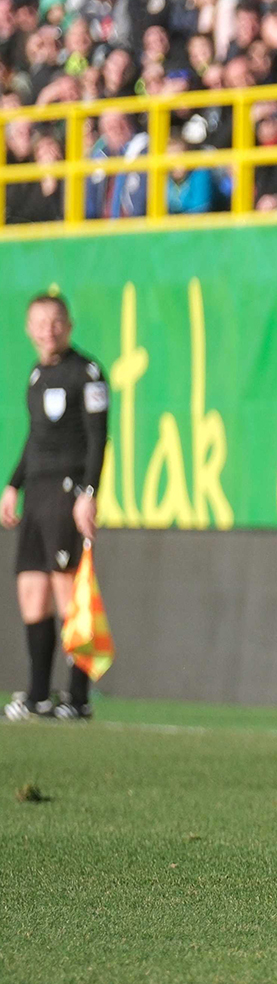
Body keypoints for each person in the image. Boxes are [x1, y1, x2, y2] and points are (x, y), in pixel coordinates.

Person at [2, 293, 107, 723]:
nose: (48, 330)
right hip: (37, 495)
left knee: (68, 591)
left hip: (67, 491)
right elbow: (35, 437)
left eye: (56, 322)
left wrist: (88, 492)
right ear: (28, 329)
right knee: (31, 590)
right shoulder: (35, 375)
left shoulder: (87, 373)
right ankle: (39, 694)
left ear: (70, 324)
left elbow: (99, 438)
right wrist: (13, 485)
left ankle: (78, 695)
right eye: (40, 323)